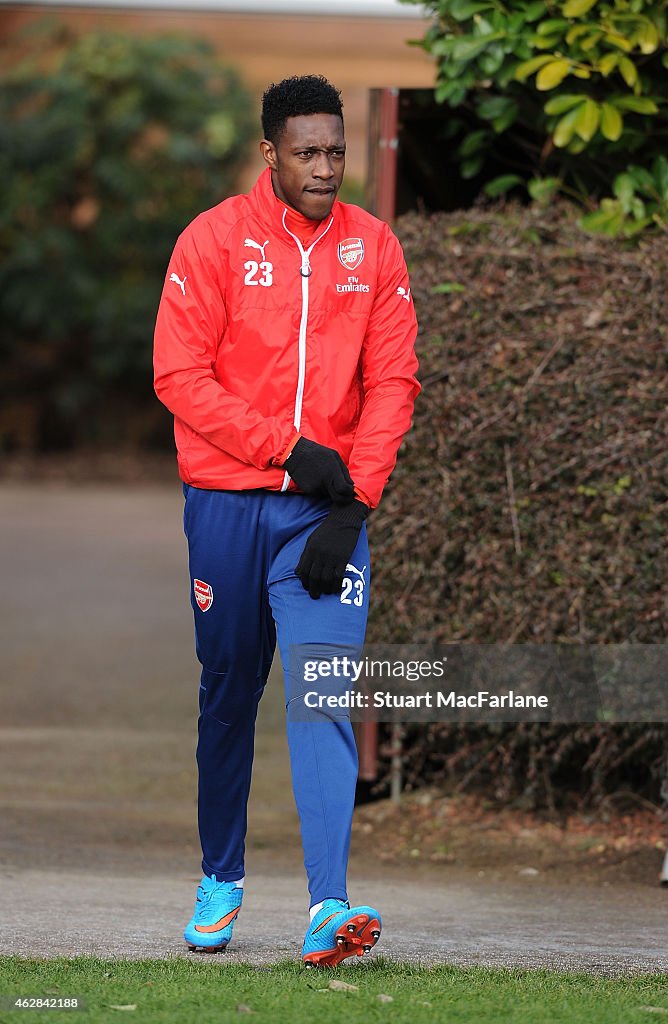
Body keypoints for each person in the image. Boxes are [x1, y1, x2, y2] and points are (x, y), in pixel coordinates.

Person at [153, 75, 419, 967]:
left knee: (321, 693)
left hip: (323, 516)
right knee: (228, 696)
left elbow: (392, 385)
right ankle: (221, 877)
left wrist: (355, 498)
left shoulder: (374, 250)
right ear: (269, 153)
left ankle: (327, 906)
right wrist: (286, 448)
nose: (324, 168)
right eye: (306, 152)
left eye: (336, 152)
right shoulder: (214, 240)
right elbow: (179, 377)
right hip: (226, 508)